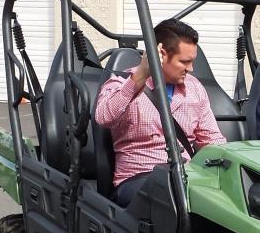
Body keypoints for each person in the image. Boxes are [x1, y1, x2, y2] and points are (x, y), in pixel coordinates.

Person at [95, 19, 226, 206]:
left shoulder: (195, 88)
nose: (191, 69)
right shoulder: (121, 82)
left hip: (184, 176)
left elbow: (212, 140)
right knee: (172, 200)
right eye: (185, 62)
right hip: (138, 178)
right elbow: (103, 117)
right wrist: (141, 75)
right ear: (162, 54)